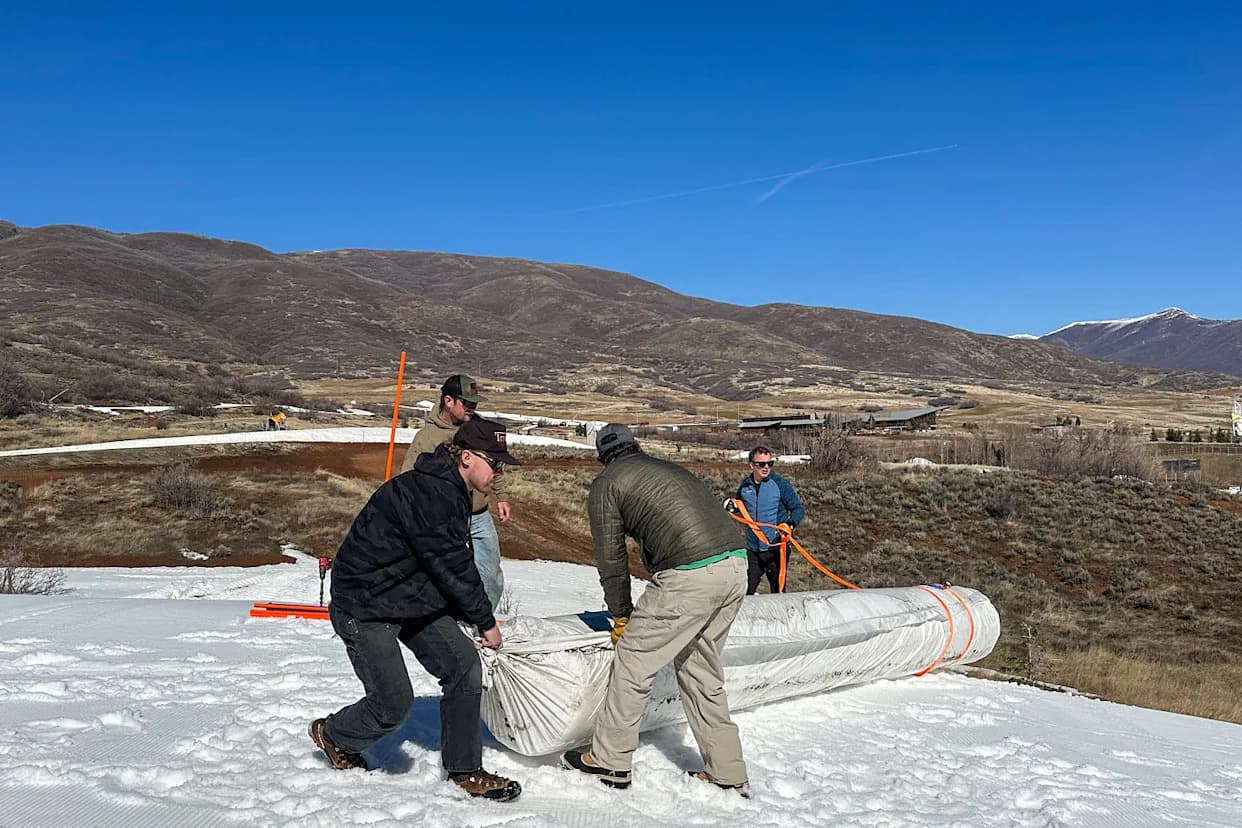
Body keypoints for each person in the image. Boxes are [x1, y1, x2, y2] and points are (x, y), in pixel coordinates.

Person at [309, 417, 523, 802]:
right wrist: (484, 622)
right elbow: (453, 566)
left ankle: (465, 771)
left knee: (463, 666)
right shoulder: (431, 494)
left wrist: (462, 615)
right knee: (392, 705)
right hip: (365, 605)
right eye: (495, 464)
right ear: (467, 458)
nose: (500, 473)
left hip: (409, 598)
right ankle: (334, 734)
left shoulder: (453, 489)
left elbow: (443, 564)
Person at [561, 424, 751, 797]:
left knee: (633, 660)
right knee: (700, 670)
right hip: (735, 565)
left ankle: (610, 761)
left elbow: (611, 558)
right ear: (634, 446)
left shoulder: (607, 484)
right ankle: (727, 771)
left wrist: (622, 614)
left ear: (603, 456)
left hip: (691, 575)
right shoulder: (667, 468)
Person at [400, 374, 510, 610]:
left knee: (490, 576)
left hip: (478, 515)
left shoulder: (478, 428)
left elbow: (494, 463)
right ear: (448, 401)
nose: (472, 408)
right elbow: (407, 479)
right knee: (447, 575)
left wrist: (501, 496)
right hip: (444, 519)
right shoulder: (427, 438)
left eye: (475, 404)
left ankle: (483, 620)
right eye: (467, 403)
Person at [736, 445, 805, 595]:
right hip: (753, 550)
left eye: (770, 463)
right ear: (752, 465)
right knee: (746, 592)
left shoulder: (780, 484)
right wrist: (731, 506)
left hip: (776, 549)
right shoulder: (745, 486)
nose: (766, 467)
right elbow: (738, 504)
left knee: (778, 592)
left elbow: (798, 509)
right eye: (761, 464)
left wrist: (789, 524)